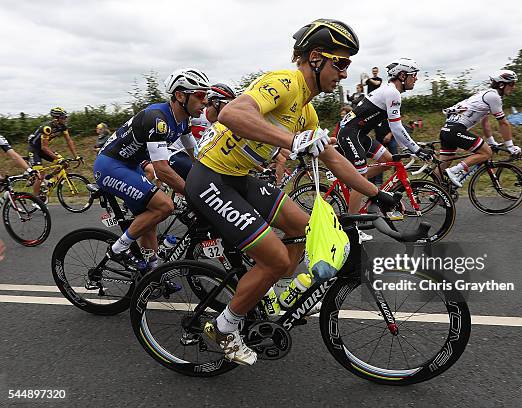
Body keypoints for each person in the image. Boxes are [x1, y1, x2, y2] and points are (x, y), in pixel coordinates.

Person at [185, 19, 397, 366]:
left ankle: (262, 288)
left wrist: (377, 192)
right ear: (315, 57)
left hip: (241, 177)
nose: (344, 73)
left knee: (304, 227)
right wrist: (292, 141)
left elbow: (332, 158)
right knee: (277, 259)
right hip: (210, 178)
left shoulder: (306, 109)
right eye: (340, 63)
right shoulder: (284, 82)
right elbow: (232, 113)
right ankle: (223, 327)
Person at [93, 68, 209, 271]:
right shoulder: (158, 120)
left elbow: (196, 155)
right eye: (200, 96)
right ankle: (118, 249)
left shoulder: (183, 121)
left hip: (129, 166)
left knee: (149, 221)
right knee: (165, 206)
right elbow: (162, 169)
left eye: (206, 96)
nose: (205, 102)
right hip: (110, 166)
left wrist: (209, 176)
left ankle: (152, 273)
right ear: (180, 96)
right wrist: (192, 193)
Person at [335, 57, 432, 241]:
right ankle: (350, 229)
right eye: (414, 76)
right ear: (402, 76)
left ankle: (355, 180)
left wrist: (413, 146)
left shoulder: (389, 91)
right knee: (360, 179)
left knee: (388, 160)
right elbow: (396, 128)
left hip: (359, 134)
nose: (416, 79)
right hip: (349, 133)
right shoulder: (392, 93)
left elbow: (396, 126)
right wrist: (416, 149)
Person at [442, 70, 521, 187]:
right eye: (511, 84)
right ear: (501, 84)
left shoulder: (485, 94)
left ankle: (433, 192)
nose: (514, 87)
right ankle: (455, 171)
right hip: (456, 130)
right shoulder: (494, 97)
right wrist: (510, 146)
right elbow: (503, 123)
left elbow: (485, 123)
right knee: (486, 153)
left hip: (446, 130)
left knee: (442, 165)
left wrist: (491, 142)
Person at [27, 107, 81, 202]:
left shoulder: (63, 126)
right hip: (34, 150)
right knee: (40, 175)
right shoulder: (47, 128)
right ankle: (35, 200)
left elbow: (69, 141)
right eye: (63, 117)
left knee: (65, 163)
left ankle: (49, 180)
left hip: (44, 149)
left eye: (66, 117)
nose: (66, 119)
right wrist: (57, 158)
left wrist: (76, 156)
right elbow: (44, 147)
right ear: (56, 118)